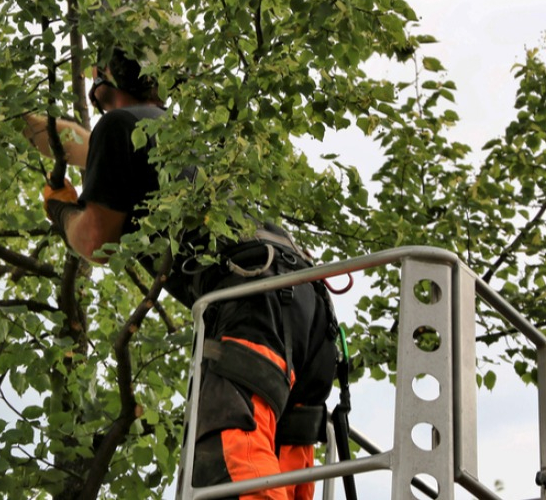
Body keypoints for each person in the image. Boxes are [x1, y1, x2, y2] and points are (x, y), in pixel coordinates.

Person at [35, 46, 339, 500]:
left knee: (234, 479)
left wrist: (61, 211)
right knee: (282, 473)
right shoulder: (190, 139)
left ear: (104, 85)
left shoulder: (120, 127)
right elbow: (80, 143)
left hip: (248, 302)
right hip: (305, 311)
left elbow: (96, 242)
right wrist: (17, 114)